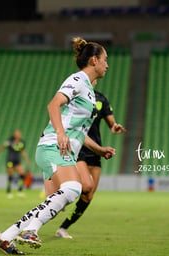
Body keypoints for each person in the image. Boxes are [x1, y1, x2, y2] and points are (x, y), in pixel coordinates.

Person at [0, 37, 115, 255]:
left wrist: (99, 149)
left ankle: (4, 237)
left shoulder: (88, 89)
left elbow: (78, 132)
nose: (107, 64)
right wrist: (59, 133)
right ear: (94, 60)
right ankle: (31, 230)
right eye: (105, 59)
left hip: (61, 149)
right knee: (74, 188)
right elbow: (53, 104)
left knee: (55, 202)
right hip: (53, 146)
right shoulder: (77, 79)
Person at [49, 79, 126, 239]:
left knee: (88, 195)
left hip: (96, 149)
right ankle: (62, 193)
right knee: (86, 184)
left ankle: (63, 228)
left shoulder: (101, 99)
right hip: (79, 146)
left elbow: (110, 122)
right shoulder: (75, 95)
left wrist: (114, 127)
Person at [0, 129, 32, 198]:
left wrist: (27, 159)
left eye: (19, 133)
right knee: (11, 175)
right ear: (14, 134)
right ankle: (8, 191)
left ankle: (20, 190)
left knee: (22, 173)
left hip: (17, 160)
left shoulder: (22, 142)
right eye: (16, 133)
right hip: (10, 160)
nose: (18, 134)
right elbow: (2, 147)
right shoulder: (10, 141)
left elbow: (22, 152)